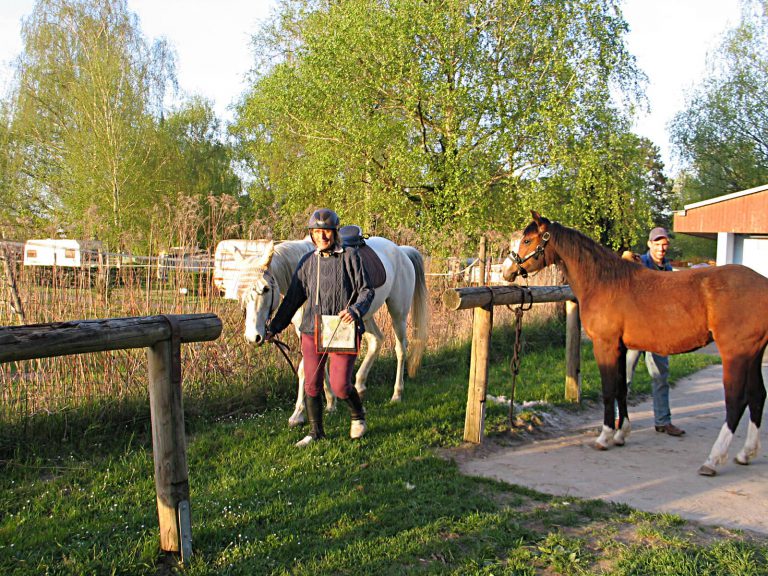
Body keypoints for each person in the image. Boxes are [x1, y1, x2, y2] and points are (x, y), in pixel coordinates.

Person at [265, 208, 375, 447]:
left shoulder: (350, 257)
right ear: (311, 234)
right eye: (316, 232)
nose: (321, 237)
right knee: (311, 383)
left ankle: (358, 415)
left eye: (326, 231)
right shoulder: (307, 262)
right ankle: (316, 433)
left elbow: (367, 290)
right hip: (312, 329)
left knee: (340, 385)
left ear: (334, 233)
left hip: (342, 329)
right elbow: (293, 299)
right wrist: (274, 327)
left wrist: (355, 310)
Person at [625, 226, 685, 436]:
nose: (661, 248)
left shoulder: (668, 271)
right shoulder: (637, 262)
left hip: (657, 332)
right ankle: (617, 417)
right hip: (635, 330)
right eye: (657, 244)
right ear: (649, 244)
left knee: (661, 376)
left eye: (664, 244)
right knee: (625, 376)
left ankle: (663, 421)